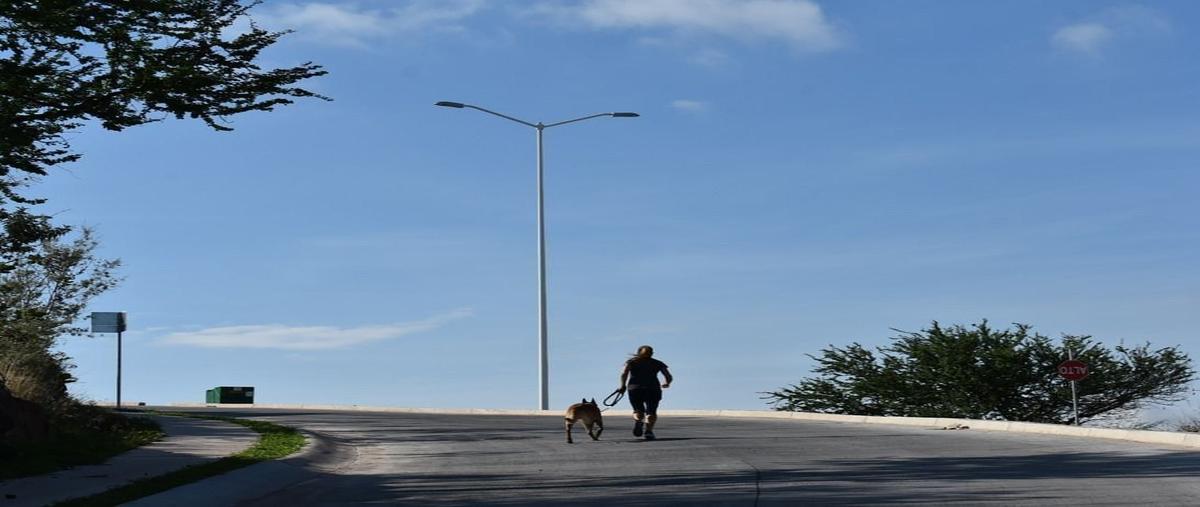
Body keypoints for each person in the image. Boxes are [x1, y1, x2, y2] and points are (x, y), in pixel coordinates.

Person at [617, 345, 672, 440]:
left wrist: (622, 386)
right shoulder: (658, 363)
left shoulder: (631, 362)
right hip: (653, 389)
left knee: (638, 410)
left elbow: (624, 373)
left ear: (638, 352)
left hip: (635, 389)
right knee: (651, 411)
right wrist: (666, 383)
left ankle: (639, 421)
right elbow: (668, 376)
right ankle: (649, 432)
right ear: (652, 353)